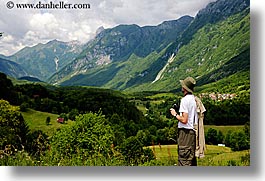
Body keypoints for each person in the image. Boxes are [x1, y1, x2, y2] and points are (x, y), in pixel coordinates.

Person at [170, 76, 198, 166]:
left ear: (184, 88)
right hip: (192, 133)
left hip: (185, 134)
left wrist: (175, 114)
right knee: (191, 161)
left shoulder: (184, 100)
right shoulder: (193, 99)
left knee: (184, 161)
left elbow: (184, 120)